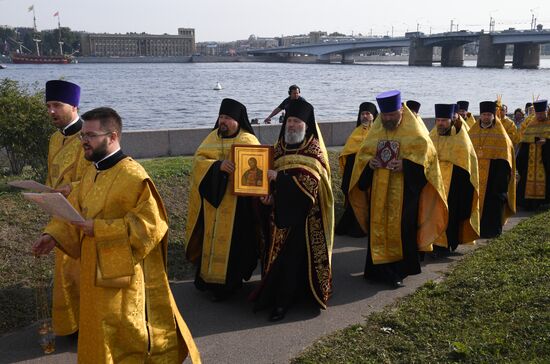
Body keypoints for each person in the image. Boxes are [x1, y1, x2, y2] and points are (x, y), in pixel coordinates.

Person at [32, 107, 200, 363]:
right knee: (96, 335)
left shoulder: (133, 176)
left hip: (120, 280)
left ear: (112, 137)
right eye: (82, 136)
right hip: (90, 272)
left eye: (90, 136)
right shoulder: (92, 172)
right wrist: (52, 235)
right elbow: (73, 209)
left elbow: (152, 226)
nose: (83, 141)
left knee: (121, 341)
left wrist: (99, 229)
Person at [348, 90, 447, 288]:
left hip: (404, 193)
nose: (388, 119)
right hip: (378, 189)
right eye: (385, 115)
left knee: (402, 230)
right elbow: (362, 158)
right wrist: (371, 164)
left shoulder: (416, 132)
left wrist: (406, 166)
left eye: (392, 115)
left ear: (401, 110)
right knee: (378, 227)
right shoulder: (376, 130)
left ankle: (398, 272)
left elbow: (428, 160)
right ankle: (375, 270)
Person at [253, 99, 334, 321]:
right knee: (274, 259)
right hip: (278, 215)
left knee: (292, 260)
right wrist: (268, 197)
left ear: (306, 125)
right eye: (289, 120)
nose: (292, 125)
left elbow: (311, 186)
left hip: (306, 217)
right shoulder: (279, 148)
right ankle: (272, 296)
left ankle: (283, 302)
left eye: (297, 121)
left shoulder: (314, 149)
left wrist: (279, 178)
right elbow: (268, 179)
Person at [185, 98, 262, 302]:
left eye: (227, 118)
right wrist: (217, 166)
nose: (223, 121)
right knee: (210, 242)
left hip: (238, 206)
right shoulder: (212, 137)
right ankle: (207, 281)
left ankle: (229, 285)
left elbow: (256, 174)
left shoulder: (248, 141)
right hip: (213, 204)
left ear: (238, 120)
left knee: (236, 245)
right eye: (221, 117)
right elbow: (198, 161)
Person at [43, 80, 91, 336]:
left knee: (80, 274)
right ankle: (72, 325)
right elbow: (53, 176)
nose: (51, 111)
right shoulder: (54, 139)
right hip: (59, 214)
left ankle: (88, 325)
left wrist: (70, 189)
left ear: (74, 106)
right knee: (65, 273)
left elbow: (101, 175)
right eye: (49, 105)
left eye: (57, 105)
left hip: (85, 217)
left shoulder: (89, 136)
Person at [429, 104, 480, 253]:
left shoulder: (460, 138)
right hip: (434, 183)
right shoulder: (431, 136)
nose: (440, 123)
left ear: (451, 119)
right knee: (432, 214)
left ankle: (446, 245)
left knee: (450, 216)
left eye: (444, 120)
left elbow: (468, 163)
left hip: (454, 184)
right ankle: (433, 244)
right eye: (438, 120)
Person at [468, 101, 516, 238]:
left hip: (495, 176)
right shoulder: (473, 131)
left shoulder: (500, 134)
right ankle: (476, 229)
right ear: (480, 115)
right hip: (476, 174)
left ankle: (493, 231)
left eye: (489, 114)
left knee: (493, 203)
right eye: (484, 114)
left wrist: (500, 180)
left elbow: (506, 157)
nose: (486, 117)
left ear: (494, 115)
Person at [335, 101, 378, 237]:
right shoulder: (356, 131)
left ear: (373, 116)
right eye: (362, 114)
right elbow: (348, 152)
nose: (365, 116)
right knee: (352, 197)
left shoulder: (378, 131)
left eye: (368, 114)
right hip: (353, 170)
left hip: (370, 171)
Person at [516, 99, 550, 210]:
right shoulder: (531, 124)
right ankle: (530, 203)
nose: (539, 116)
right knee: (527, 179)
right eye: (537, 113)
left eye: (542, 113)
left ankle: (545, 203)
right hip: (531, 161)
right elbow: (524, 142)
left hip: (545, 159)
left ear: (546, 111)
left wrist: (546, 142)